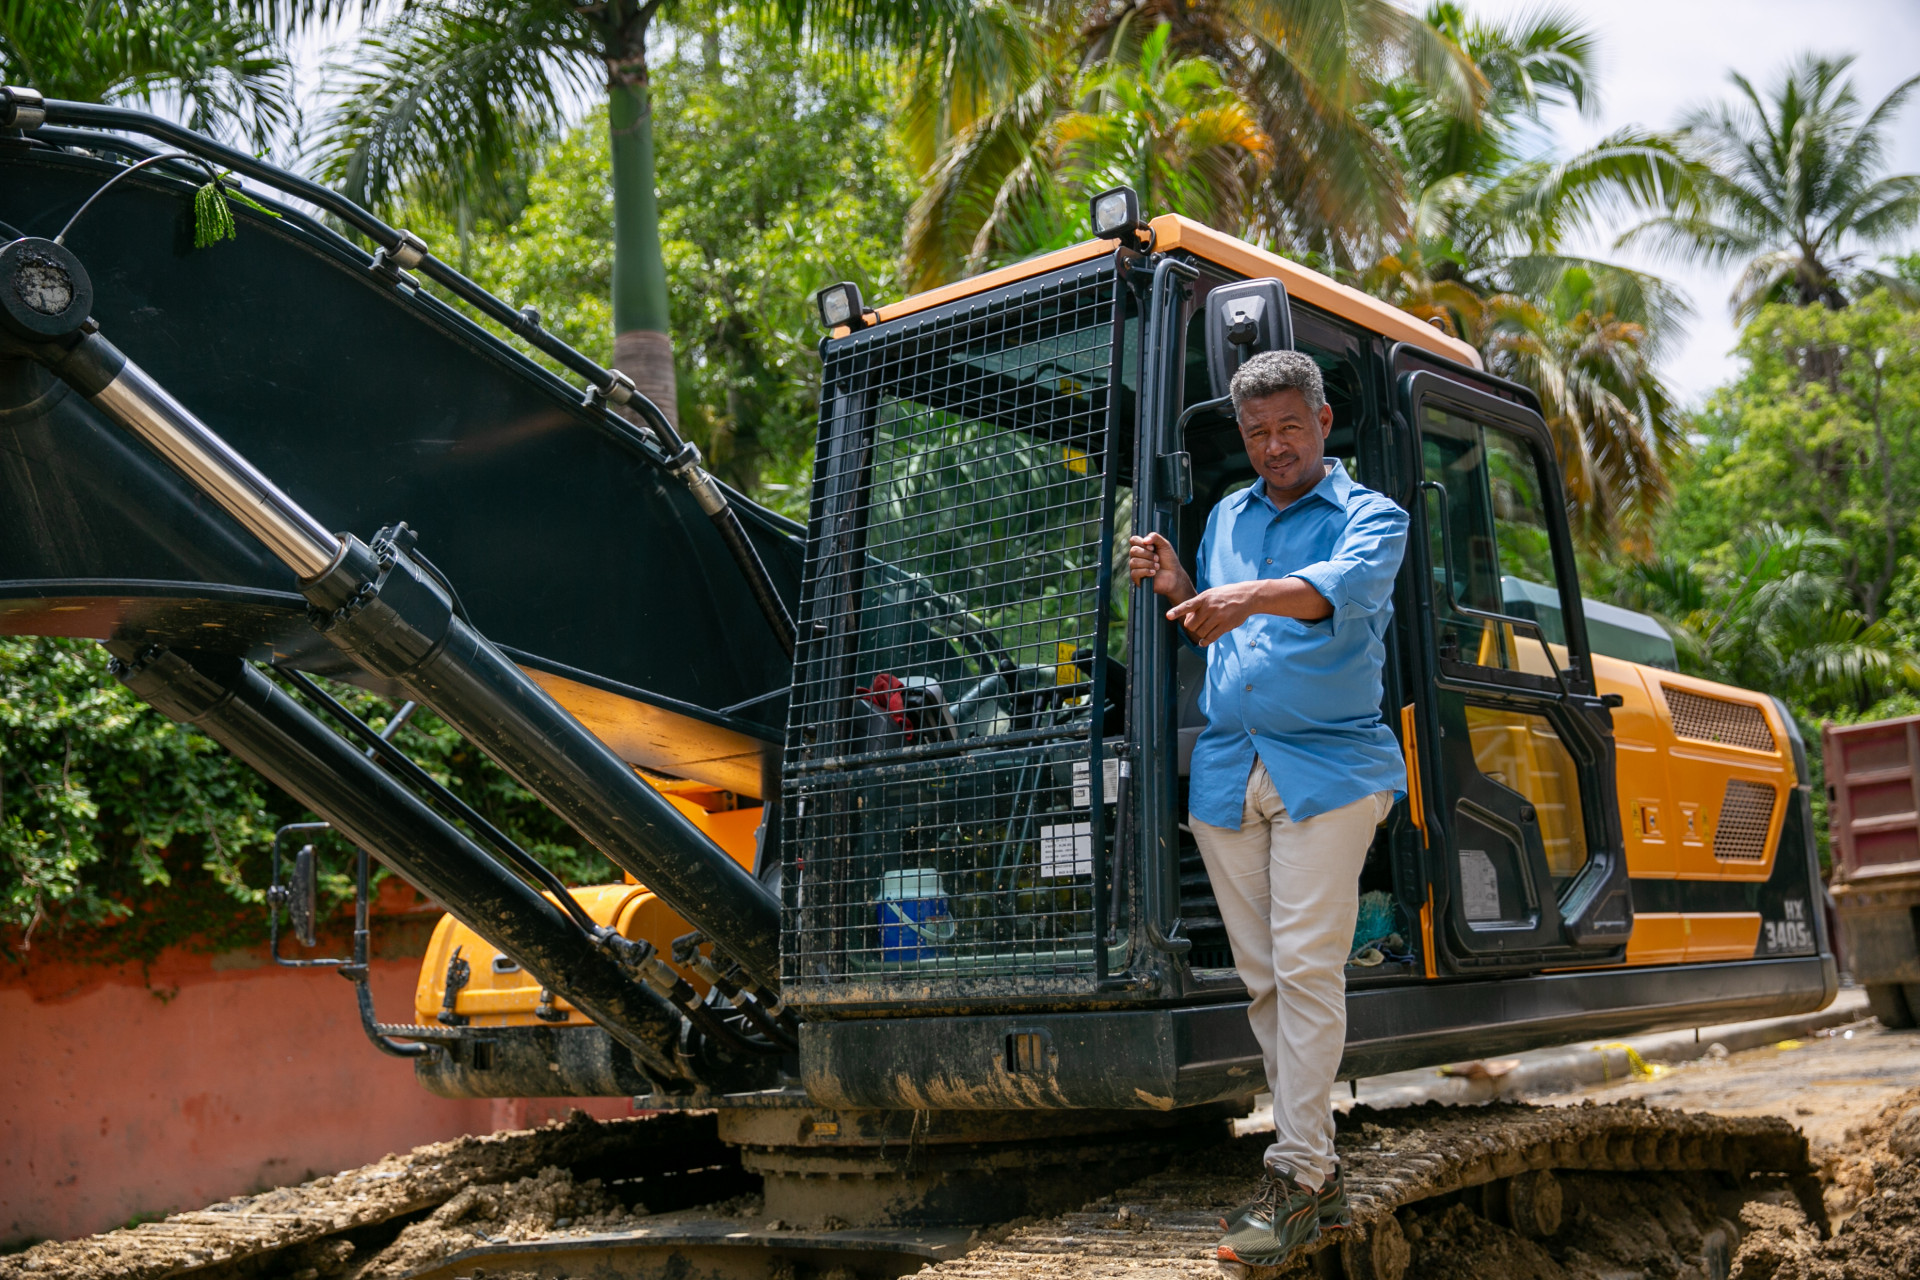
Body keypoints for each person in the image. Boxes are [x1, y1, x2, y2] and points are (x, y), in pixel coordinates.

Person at [1127, 349, 1408, 1270]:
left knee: (1307, 967)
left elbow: (1332, 596)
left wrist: (1241, 598)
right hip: (1228, 770)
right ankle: (1315, 1172)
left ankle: (1295, 1175)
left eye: (1289, 427)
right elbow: (1218, 632)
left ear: (1323, 422)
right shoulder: (1226, 518)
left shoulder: (1373, 516)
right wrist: (1181, 587)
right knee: (1264, 980)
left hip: (1329, 770)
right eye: (1256, 434)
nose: (1274, 446)